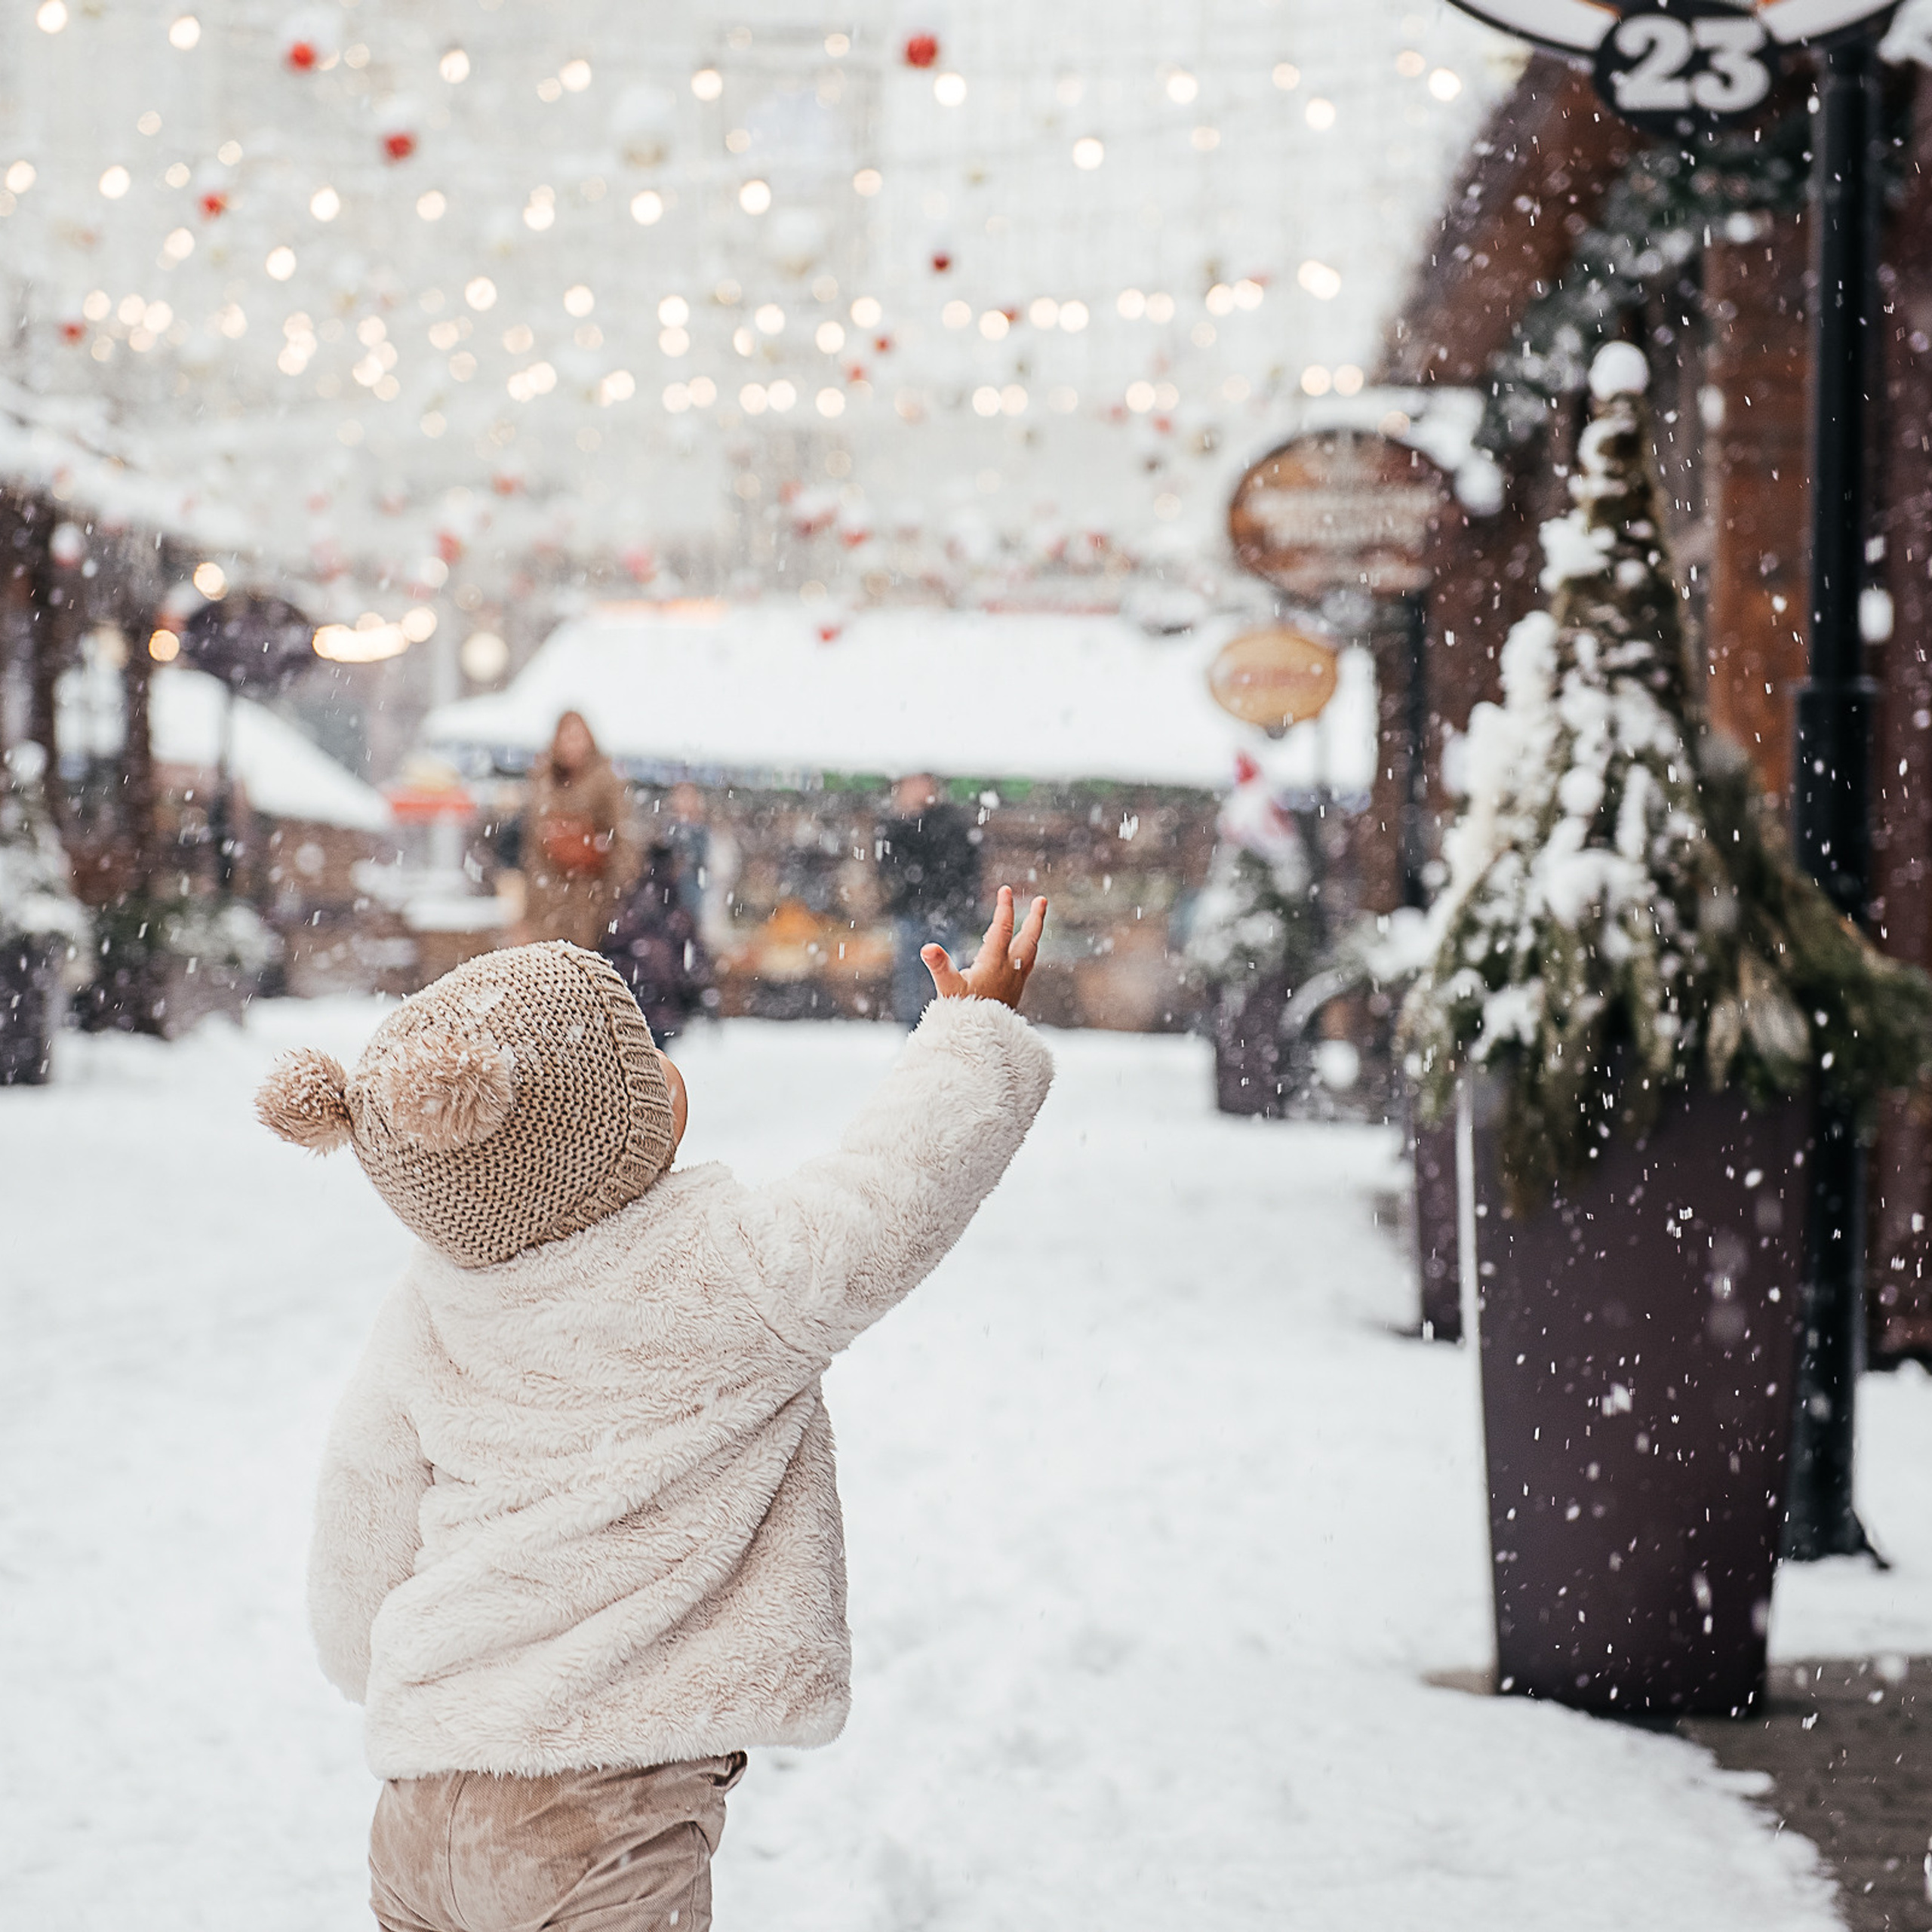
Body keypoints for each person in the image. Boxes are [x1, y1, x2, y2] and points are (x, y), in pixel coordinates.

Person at [254, 887, 1052, 1932]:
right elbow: (890, 1191)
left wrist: (392, 1676)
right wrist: (973, 1038)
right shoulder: (722, 1272)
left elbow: (359, 1521)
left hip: (416, 1817)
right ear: (623, 1130)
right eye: (640, 1074)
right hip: (598, 1825)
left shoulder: (425, 1309)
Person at [517, 710, 641, 950]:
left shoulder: (606, 781)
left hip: (591, 900)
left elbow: (625, 842)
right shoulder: (543, 781)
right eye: (566, 737)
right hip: (547, 899)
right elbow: (532, 846)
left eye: (577, 737)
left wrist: (611, 894)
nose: (571, 745)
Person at [878, 772, 982, 1025]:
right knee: (910, 981)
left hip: (944, 913)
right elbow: (889, 867)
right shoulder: (895, 824)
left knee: (946, 979)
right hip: (912, 913)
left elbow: (963, 864)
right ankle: (915, 1035)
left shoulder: (950, 821)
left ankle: (946, 1031)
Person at [601, 836, 711, 1044]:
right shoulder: (675, 906)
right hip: (661, 1007)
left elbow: (614, 944)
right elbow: (691, 958)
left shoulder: (632, 902)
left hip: (635, 1005)